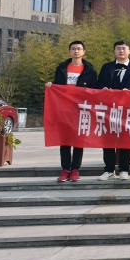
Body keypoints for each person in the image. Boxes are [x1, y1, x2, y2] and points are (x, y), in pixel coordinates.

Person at [46, 40, 97, 182]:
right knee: (64, 140)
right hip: (64, 109)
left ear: (83, 52)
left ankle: (75, 169)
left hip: (81, 110)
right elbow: (57, 85)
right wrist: (51, 85)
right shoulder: (62, 68)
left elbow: (94, 90)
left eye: (79, 49)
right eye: (73, 49)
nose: (76, 51)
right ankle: (65, 169)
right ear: (69, 51)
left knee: (79, 140)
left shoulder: (90, 70)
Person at [97, 40, 130, 180]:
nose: (121, 51)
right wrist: (103, 89)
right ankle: (109, 169)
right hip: (109, 109)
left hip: (127, 109)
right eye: (118, 48)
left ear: (129, 51)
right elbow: (99, 84)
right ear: (114, 51)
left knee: (125, 139)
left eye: (124, 48)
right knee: (108, 140)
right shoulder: (107, 67)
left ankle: (124, 169)